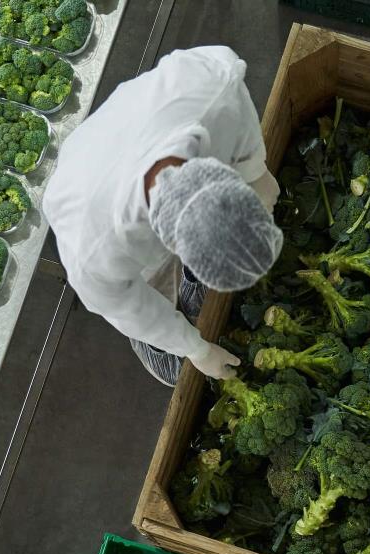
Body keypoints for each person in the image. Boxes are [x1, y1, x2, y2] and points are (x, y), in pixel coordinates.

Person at [42, 46, 284, 387]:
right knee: (167, 346)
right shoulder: (93, 252)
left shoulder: (213, 85)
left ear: (218, 174)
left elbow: (233, 98)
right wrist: (195, 349)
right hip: (84, 179)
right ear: (172, 243)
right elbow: (129, 309)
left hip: (137, 125)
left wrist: (255, 172)